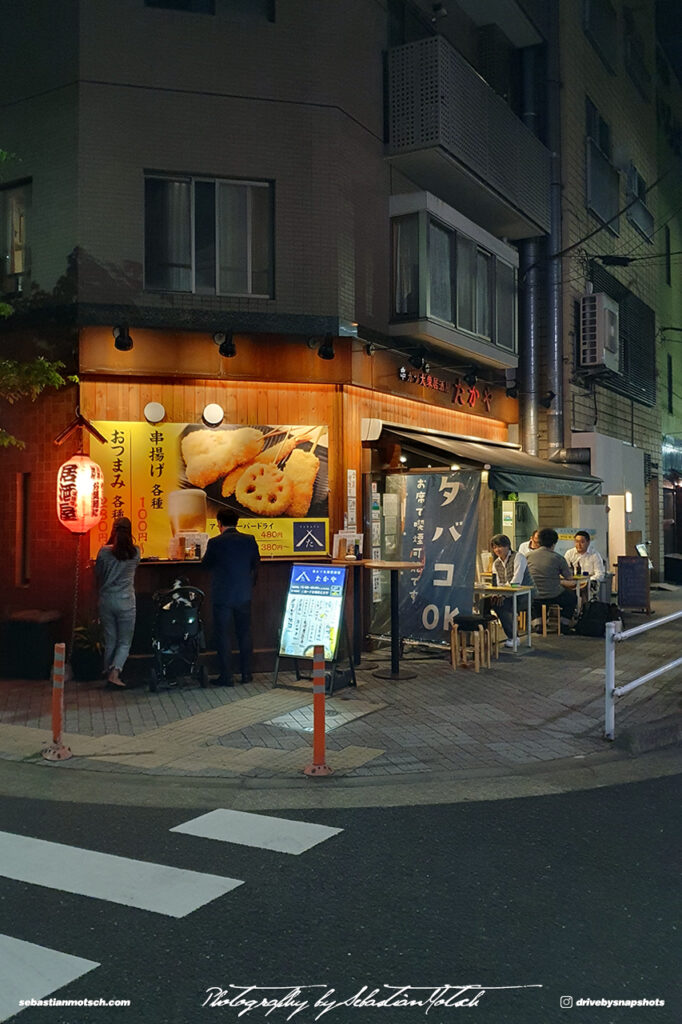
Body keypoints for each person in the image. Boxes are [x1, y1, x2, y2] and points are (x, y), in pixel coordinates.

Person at [201, 507, 260, 686]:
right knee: (244, 633)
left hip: (223, 596)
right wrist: (249, 586)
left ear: (219, 523)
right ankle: (246, 674)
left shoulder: (215, 543)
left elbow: (205, 565)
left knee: (223, 635)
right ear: (237, 522)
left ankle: (226, 677)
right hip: (243, 594)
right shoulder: (249, 540)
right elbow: (256, 565)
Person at [94, 516, 140, 689]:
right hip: (126, 600)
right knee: (124, 642)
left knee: (110, 639)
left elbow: (98, 573)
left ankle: (107, 671)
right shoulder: (135, 552)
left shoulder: (104, 552)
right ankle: (115, 673)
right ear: (130, 531)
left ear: (113, 530)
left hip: (106, 599)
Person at [526, 527, 577, 630]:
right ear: (554, 543)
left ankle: (538, 623)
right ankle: (563, 624)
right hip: (553, 594)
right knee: (572, 598)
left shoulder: (527, 556)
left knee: (535, 599)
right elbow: (569, 578)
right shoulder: (558, 558)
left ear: (539, 542)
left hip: (533, 594)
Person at [489, 534, 535, 648]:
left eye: (500, 546)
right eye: (494, 547)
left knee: (503, 605)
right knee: (489, 602)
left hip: (524, 595)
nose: (497, 550)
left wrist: (502, 595)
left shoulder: (518, 557)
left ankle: (513, 637)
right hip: (508, 594)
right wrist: (498, 594)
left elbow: (516, 581)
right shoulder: (496, 563)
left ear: (507, 546)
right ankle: (485, 636)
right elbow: (498, 583)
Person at [564, 530, 605, 594]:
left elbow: (600, 574)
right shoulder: (569, 553)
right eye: (576, 542)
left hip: (588, 584)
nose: (579, 545)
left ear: (588, 542)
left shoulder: (595, 555)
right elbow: (564, 570)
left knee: (584, 589)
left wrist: (587, 581)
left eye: (582, 542)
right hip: (572, 583)